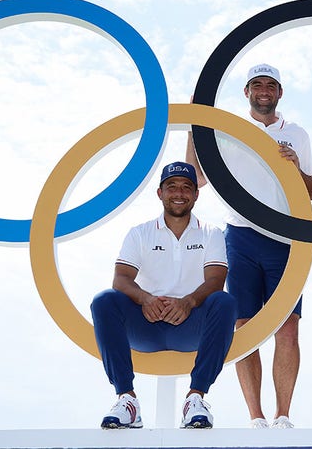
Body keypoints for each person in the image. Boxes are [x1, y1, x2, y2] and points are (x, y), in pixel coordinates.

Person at [186, 63, 312, 429]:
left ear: (280, 92)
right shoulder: (228, 131)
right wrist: (193, 124)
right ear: (246, 92)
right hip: (241, 234)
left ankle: (282, 416)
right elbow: (195, 178)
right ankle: (256, 417)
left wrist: (295, 167)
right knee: (244, 326)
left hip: (286, 238)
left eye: (271, 85)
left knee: (288, 328)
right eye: (257, 85)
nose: (264, 90)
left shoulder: (296, 133)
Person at [90, 161, 237, 429]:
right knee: (104, 301)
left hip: (190, 324)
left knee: (224, 301)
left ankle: (196, 399)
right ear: (160, 193)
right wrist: (145, 299)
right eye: (171, 187)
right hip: (146, 324)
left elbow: (216, 279)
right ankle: (127, 400)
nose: (178, 193)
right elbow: (121, 279)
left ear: (195, 194)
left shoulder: (211, 233)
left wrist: (188, 302)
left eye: (186, 187)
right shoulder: (140, 233)